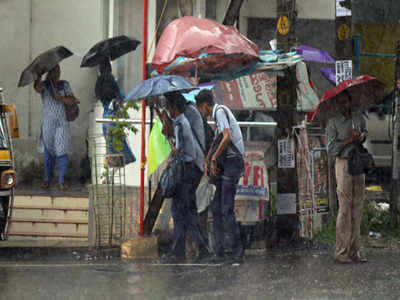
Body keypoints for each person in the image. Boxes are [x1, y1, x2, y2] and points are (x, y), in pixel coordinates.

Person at [195, 89, 244, 264]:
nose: (201, 112)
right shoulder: (217, 116)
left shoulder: (220, 112)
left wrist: (214, 158)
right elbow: (217, 141)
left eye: (200, 108)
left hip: (232, 163)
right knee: (216, 208)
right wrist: (208, 159)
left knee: (226, 209)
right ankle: (219, 251)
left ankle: (237, 252)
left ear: (204, 105)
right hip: (228, 164)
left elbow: (226, 137)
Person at [162, 91, 210, 263]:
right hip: (190, 167)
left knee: (185, 210)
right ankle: (180, 251)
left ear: (174, 106)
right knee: (181, 210)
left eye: (168, 106)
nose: (167, 109)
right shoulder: (184, 116)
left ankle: (199, 248)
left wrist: (175, 153)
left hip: (189, 168)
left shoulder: (184, 118)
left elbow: (185, 146)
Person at [326, 90, 368, 263]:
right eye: (340, 102)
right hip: (343, 163)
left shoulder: (358, 118)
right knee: (344, 207)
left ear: (350, 101)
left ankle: (354, 250)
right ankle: (341, 251)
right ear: (337, 104)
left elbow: (365, 135)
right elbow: (331, 148)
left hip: (358, 162)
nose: (344, 105)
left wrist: (360, 138)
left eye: (346, 102)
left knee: (357, 206)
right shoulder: (333, 122)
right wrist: (348, 140)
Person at [34, 65, 78, 191]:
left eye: (58, 70)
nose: (57, 72)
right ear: (50, 72)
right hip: (48, 123)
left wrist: (62, 98)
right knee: (49, 150)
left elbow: (72, 100)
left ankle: (61, 181)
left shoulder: (64, 85)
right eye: (54, 70)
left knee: (62, 149)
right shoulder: (45, 85)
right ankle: (47, 179)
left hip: (62, 122)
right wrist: (37, 76)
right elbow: (37, 88)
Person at [96, 59, 135, 165]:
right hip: (115, 118)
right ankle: (112, 174)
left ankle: (109, 175)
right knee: (120, 150)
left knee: (110, 149)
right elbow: (123, 97)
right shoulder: (113, 82)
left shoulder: (99, 85)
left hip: (105, 118)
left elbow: (98, 97)